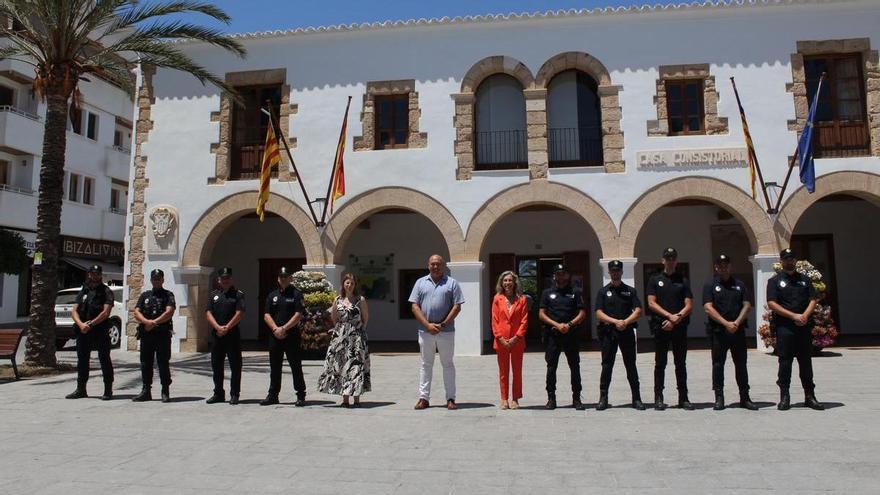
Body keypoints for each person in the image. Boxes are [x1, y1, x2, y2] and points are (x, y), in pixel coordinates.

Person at [768, 248, 823, 411]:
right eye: (786, 259)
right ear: (781, 261)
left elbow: (813, 299)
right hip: (785, 327)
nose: (789, 261)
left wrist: (804, 316)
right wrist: (793, 316)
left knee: (806, 361)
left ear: (795, 260)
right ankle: (785, 396)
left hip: (803, 327)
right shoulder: (775, 281)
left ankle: (810, 396)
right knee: (785, 362)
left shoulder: (805, 280)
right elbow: (772, 303)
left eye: (792, 258)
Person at [409, 254, 464, 410]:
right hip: (425, 331)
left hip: (446, 331)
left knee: (447, 364)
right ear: (428, 265)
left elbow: (457, 306)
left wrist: (443, 324)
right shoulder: (420, 283)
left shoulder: (452, 283)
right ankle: (423, 398)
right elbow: (414, 306)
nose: (435, 266)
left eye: (438, 264)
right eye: (433, 264)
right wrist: (427, 325)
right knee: (426, 364)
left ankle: (451, 398)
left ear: (443, 265)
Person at [702, 254, 757, 411]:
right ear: (716, 267)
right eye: (720, 265)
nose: (723, 267)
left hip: (737, 331)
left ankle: (744, 397)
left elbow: (747, 305)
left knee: (741, 364)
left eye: (725, 264)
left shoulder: (739, 285)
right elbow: (708, 307)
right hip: (719, 331)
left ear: (730, 266)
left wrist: (737, 322)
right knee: (718, 364)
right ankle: (719, 397)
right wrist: (726, 323)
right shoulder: (710, 285)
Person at [647, 247, 694, 410]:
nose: (670, 260)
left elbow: (689, 304)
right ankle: (658, 398)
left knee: (680, 363)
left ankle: (684, 397)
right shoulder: (655, 279)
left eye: (673, 258)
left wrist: (676, 319)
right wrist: (669, 317)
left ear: (676, 260)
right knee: (660, 363)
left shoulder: (683, 280)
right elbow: (651, 303)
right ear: (662, 260)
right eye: (667, 258)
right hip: (661, 326)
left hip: (679, 327)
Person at [595, 260, 645, 411]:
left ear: (622, 272)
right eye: (613, 270)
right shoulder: (603, 292)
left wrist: (625, 322)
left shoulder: (630, 291)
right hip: (609, 333)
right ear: (609, 272)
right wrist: (615, 322)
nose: (615, 273)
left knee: (631, 365)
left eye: (618, 270)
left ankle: (636, 398)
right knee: (607, 366)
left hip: (627, 332)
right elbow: (598, 313)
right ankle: (603, 398)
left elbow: (638, 310)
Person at [318, 272, 371, 407]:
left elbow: (365, 318)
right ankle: (345, 399)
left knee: (356, 367)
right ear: (343, 284)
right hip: (341, 338)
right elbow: (334, 318)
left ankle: (357, 399)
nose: (350, 285)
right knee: (341, 367)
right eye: (347, 282)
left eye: (352, 283)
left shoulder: (360, 300)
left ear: (355, 285)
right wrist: (341, 330)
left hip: (356, 338)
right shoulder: (337, 300)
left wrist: (359, 330)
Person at [539, 264, 587, 410]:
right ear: (554, 276)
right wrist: (557, 325)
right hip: (553, 335)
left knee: (574, 366)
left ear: (568, 275)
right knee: (551, 367)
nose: (561, 276)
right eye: (558, 274)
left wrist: (569, 325)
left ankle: (577, 398)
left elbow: (582, 313)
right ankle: (551, 398)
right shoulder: (547, 293)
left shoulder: (575, 292)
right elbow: (541, 314)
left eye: (563, 273)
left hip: (571, 334)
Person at [65, 265, 115, 400]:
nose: (93, 276)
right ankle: (81, 389)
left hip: (99, 330)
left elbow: (106, 312)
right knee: (82, 360)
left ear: (100, 275)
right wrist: (81, 324)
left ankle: (108, 390)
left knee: (104, 359)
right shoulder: (84, 290)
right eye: (91, 273)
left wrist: (91, 324)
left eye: (96, 273)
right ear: (88, 275)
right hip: (83, 331)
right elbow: (74, 310)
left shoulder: (106, 291)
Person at [261, 266, 307, 406]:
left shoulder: (296, 294)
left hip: (291, 335)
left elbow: (298, 314)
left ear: (290, 278)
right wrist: (276, 329)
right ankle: (273, 395)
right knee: (275, 367)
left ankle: (300, 395)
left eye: (286, 276)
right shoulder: (272, 295)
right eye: (281, 276)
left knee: (295, 366)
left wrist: (284, 328)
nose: (283, 279)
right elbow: (266, 314)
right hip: (275, 335)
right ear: (278, 279)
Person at [132, 269, 176, 403]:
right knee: (145, 363)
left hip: (162, 334)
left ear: (163, 280)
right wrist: (146, 322)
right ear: (151, 280)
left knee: (163, 363)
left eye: (159, 279)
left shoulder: (168, 295)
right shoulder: (145, 295)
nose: (156, 281)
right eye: (154, 279)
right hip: (147, 335)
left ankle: (165, 390)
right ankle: (146, 390)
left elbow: (169, 312)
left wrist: (154, 322)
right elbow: (136, 312)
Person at [205, 267, 245, 405]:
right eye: (223, 278)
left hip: (232, 335)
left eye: (227, 278)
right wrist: (217, 327)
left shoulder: (238, 295)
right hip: (217, 335)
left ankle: (234, 394)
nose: (225, 280)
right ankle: (218, 393)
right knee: (217, 365)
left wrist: (227, 327)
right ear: (219, 280)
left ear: (231, 279)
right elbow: (208, 313)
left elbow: (239, 313)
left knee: (235, 365)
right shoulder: (213, 295)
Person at [491, 270, 528, 410]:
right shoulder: (497, 299)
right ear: (501, 282)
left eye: (510, 280)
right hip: (501, 341)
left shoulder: (522, 299)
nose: (507, 283)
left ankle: (516, 398)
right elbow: (494, 320)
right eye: (505, 280)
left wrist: (516, 337)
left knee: (517, 371)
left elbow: (524, 321)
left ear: (514, 282)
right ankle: (504, 398)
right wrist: (499, 337)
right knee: (503, 371)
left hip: (517, 341)